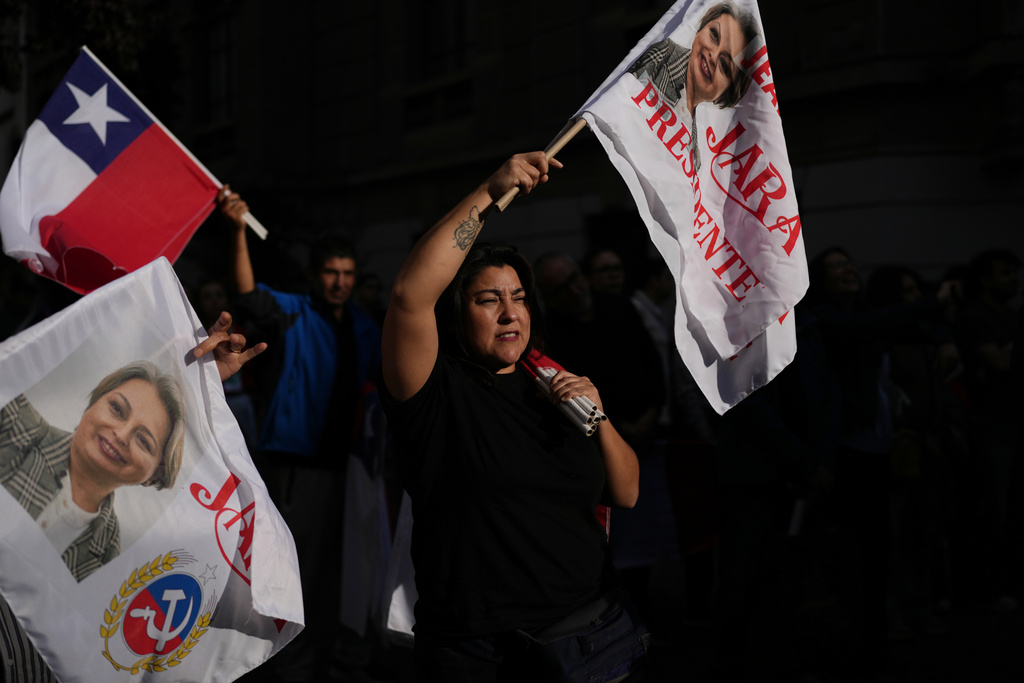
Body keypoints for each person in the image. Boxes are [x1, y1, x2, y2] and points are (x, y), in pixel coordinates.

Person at [380, 152, 649, 681]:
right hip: (477, 653)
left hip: (588, 641)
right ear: (458, 313)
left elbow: (627, 491)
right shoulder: (433, 393)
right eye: (487, 300)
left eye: (519, 297)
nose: (510, 312)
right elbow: (410, 295)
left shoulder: (551, 383)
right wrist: (490, 190)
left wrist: (596, 418)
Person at [0, 312, 265, 683]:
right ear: (91, 402)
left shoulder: (114, 553)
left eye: (144, 440)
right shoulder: (11, 424)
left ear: (154, 472)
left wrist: (200, 386)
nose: (121, 434)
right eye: (116, 408)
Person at [217, 187, 382, 683]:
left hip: (353, 470)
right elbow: (247, 295)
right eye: (331, 273)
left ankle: (337, 662)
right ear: (315, 275)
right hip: (298, 466)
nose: (340, 282)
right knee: (297, 573)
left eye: (348, 274)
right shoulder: (291, 309)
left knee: (346, 571)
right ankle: (293, 668)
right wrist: (239, 229)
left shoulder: (364, 324)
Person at [627, 1, 760, 170]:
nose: (713, 56)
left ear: (727, 93)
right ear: (700, 29)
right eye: (714, 35)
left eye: (725, 65)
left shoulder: (696, 153)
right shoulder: (662, 56)